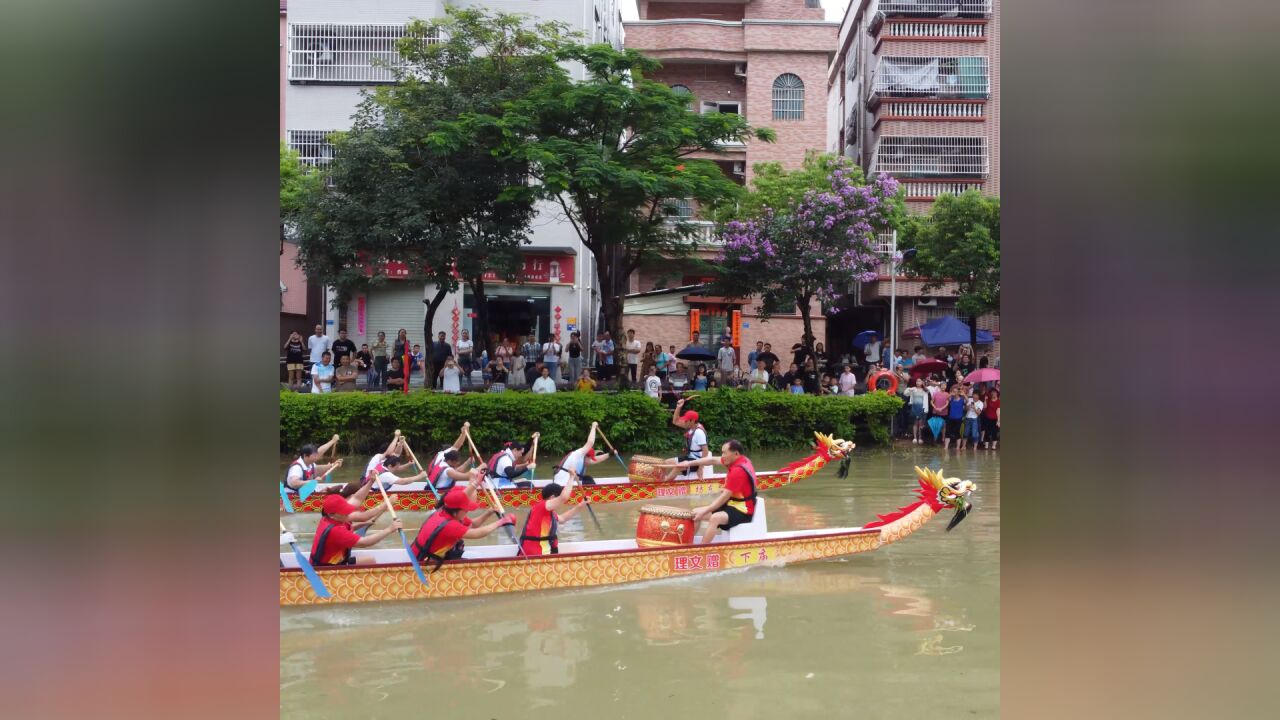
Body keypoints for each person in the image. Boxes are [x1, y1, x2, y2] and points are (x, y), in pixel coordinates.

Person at [667, 440, 758, 544]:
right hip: (732, 504)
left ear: (736, 453)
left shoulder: (738, 471)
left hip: (744, 510)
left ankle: (702, 550)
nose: (722, 456)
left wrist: (705, 510)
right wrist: (689, 463)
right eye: (722, 452)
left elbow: (724, 497)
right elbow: (713, 460)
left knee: (715, 518)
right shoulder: (738, 460)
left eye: (724, 453)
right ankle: (687, 544)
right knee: (694, 513)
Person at [410, 483, 516, 570]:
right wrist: (501, 522)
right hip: (423, 563)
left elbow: (473, 525)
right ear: (456, 511)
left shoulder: (445, 512)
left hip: (421, 555)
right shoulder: (450, 525)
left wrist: (488, 513)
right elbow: (477, 533)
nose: (468, 511)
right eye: (466, 509)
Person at [310, 493, 403, 567]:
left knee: (370, 560)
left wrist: (364, 523)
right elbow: (364, 543)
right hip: (327, 569)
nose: (347, 513)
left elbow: (351, 528)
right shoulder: (336, 531)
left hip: (333, 561)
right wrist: (390, 529)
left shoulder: (328, 519)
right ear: (332, 514)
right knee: (371, 561)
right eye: (343, 511)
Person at [661, 398, 708, 482]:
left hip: (697, 461)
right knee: (665, 462)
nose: (684, 422)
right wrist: (678, 407)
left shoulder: (699, 432)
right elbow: (675, 421)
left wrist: (700, 468)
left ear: (692, 421)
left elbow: (705, 452)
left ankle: (665, 482)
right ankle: (665, 479)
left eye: (686, 420)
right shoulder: (691, 427)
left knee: (679, 466)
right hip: (690, 457)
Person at [551, 423, 608, 487]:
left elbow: (596, 460)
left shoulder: (583, 459)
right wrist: (593, 427)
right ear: (585, 456)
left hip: (568, 483)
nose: (591, 461)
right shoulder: (577, 455)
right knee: (588, 480)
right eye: (590, 459)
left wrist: (609, 454)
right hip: (562, 484)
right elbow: (590, 442)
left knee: (588, 478)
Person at [425, 425, 475, 491]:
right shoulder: (446, 466)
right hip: (439, 492)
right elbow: (457, 446)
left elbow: (455, 472)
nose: (458, 462)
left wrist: (467, 462)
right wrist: (479, 470)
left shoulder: (442, 460)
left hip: (435, 488)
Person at [904, 378, 929, 444]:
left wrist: (925, 386)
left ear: (922, 382)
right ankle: (915, 437)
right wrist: (909, 389)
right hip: (914, 407)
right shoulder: (913, 389)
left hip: (922, 408)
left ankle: (920, 438)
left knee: (921, 423)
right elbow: (905, 393)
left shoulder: (924, 390)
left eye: (919, 381)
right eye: (917, 381)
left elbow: (928, 392)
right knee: (915, 423)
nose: (918, 382)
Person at [945, 385, 965, 450]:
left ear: (958, 392)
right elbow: (947, 398)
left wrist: (964, 394)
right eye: (954, 391)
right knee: (948, 432)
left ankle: (958, 447)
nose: (955, 393)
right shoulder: (951, 399)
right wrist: (951, 393)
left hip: (959, 418)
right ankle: (946, 447)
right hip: (951, 418)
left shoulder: (962, 399)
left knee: (957, 433)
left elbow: (967, 401)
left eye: (956, 392)